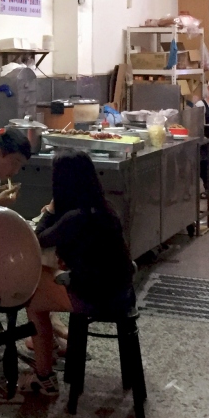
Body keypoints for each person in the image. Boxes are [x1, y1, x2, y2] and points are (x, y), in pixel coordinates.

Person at [26, 149, 135, 397]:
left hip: (96, 298)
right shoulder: (106, 210)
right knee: (47, 278)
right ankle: (53, 340)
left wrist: (49, 210)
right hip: (122, 293)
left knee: (33, 297)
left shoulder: (75, 218)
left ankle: (44, 376)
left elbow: (37, 240)